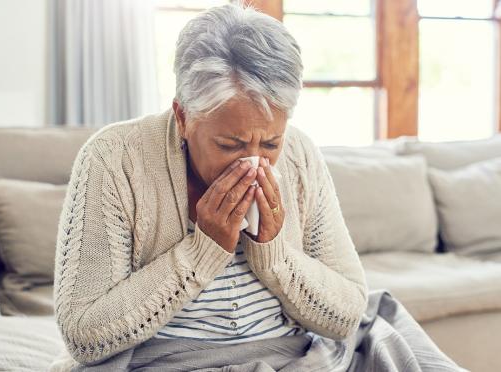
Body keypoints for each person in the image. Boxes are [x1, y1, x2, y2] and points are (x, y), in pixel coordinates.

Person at [51, 3, 370, 370]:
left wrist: (275, 256)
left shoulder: (301, 153)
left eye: (270, 144)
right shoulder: (115, 158)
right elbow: (83, 334)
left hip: (293, 357)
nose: (253, 165)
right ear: (183, 117)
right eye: (230, 145)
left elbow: (347, 314)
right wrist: (203, 250)